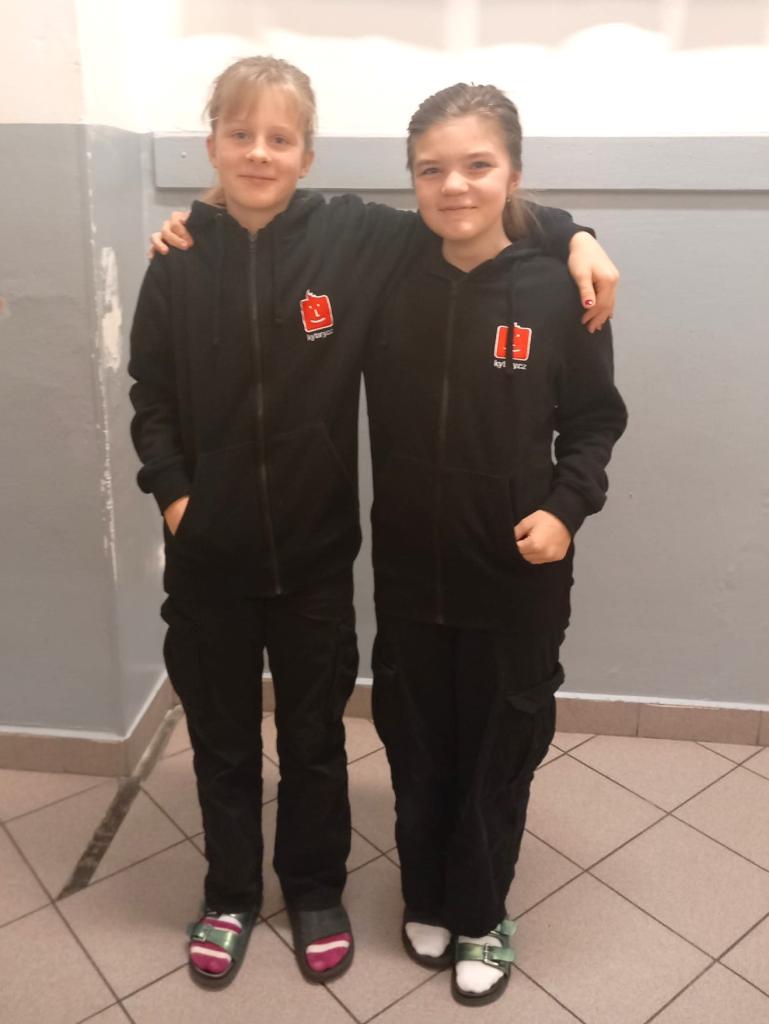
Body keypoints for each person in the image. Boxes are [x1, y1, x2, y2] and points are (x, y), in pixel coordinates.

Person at [134, 56, 619, 988]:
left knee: (322, 741)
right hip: (224, 559)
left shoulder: (355, 239)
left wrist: (578, 234)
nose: (260, 152)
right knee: (244, 742)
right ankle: (234, 895)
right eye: (240, 134)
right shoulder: (183, 261)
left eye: (280, 138)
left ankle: (329, 891)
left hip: (329, 559)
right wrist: (175, 494)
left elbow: (483, 213)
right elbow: (149, 394)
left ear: (308, 153)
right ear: (212, 145)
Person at [364, 82, 627, 1007]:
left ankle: (481, 912)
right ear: (410, 180)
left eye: (478, 165)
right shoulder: (385, 267)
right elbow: (280, 218)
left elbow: (593, 421)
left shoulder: (557, 289)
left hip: (515, 574)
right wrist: (187, 227)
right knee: (416, 742)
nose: (454, 186)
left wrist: (566, 507)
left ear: (513, 171)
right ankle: (426, 895)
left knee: (496, 751)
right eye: (430, 169)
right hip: (409, 569)